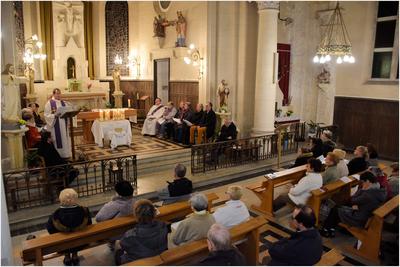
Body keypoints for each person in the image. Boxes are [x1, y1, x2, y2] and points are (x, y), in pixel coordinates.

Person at [320, 171, 386, 238]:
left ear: (368, 181)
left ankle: (325, 230)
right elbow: (355, 202)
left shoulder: (368, 194)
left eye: (362, 182)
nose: (362, 184)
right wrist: (356, 204)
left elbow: (353, 199)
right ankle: (331, 229)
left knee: (335, 210)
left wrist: (362, 190)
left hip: (358, 218)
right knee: (338, 207)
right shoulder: (379, 190)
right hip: (365, 215)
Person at [46, 188, 92, 266]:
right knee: (77, 235)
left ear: (61, 199)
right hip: (81, 242)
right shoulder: (84, 211)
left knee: (62, 238)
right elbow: (89, 224)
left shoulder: (55, 215)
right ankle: (75, 255)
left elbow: (50, 229)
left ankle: (67, 256)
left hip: (62, 245)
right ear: (76, 198)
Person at [116, 199, 168, 265]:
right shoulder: (163, 226)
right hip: (160, 255)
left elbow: (123, 245)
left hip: (140, 261)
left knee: (118, 253)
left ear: (136, 215)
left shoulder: (130, 235)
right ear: (154, 213)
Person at [44, 88, 72, 159]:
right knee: (58, 139)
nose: (59, 95)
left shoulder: (64, 103)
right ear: (53, 94)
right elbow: (46, 115)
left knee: (65, 138)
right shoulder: (49, 103)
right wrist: (54, 115)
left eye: (59, 93)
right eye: (57, 93)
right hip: (56, 124)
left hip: (64, 124)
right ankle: (58, 155)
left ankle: (66, 154)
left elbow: (69, 112)